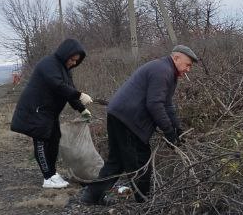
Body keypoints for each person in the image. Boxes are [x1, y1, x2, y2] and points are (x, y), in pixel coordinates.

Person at [78, 44, 198, 206]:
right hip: (128, 119)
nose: (188, 69)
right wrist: (169, 132)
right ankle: (144, 200)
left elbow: (167, 105)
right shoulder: (163, 71)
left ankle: (91, 196)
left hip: (119, 115)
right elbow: (155, 104)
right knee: (140, 159)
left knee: (117, 161)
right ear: (176, 58)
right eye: (187, 64)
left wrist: (177, 129)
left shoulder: (167, 71)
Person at [10, 38, 92, 189]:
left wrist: (82, 109)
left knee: (54, 139)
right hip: (35, 109)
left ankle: (53, 173)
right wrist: (80, 95)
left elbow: (69, 91)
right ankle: (48, 178)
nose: (74, 63)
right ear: (65, 54)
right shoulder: (48, 64)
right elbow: (58, 85)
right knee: (41, 140)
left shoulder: (65, 70)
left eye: (76, 61)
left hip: (49, 112)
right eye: (72, 59)